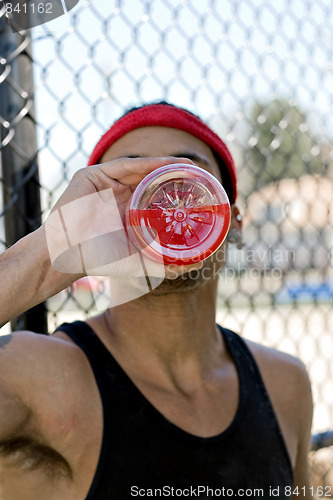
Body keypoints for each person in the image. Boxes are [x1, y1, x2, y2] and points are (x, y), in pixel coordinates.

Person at [0, 102, 313, 499]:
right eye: (129, 184)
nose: (164, 199)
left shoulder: (285, 383)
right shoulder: (37, 378)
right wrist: (48, 255)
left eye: (187, 180)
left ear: (231, 223)